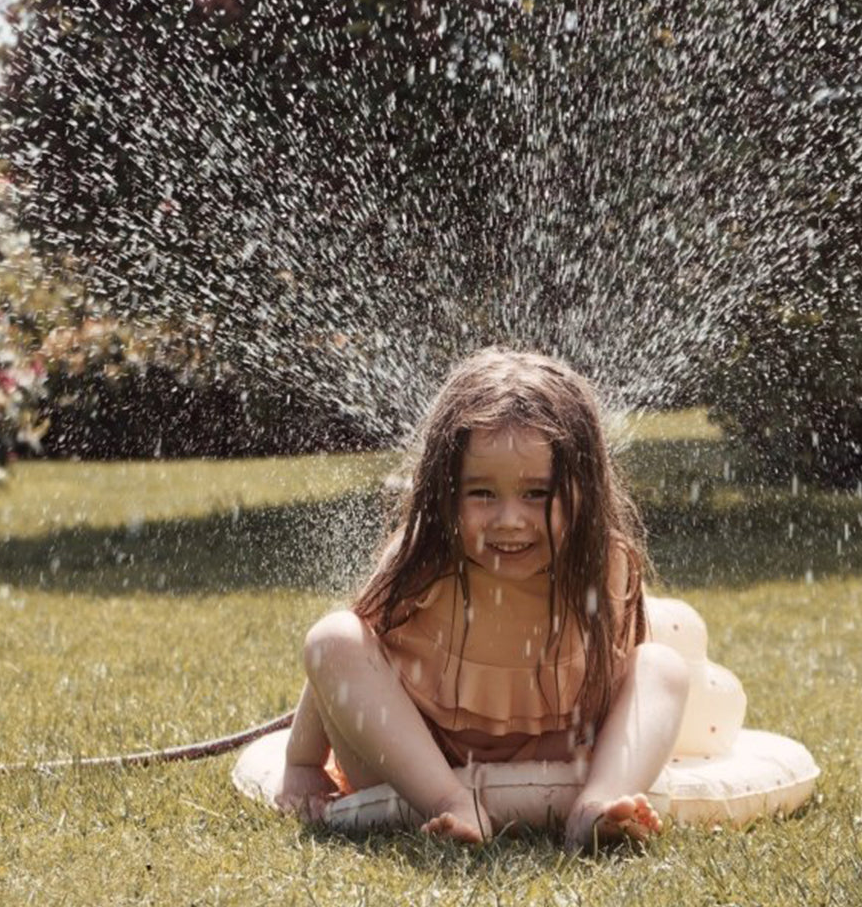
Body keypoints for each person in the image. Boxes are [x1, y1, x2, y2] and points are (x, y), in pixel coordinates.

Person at [276, 348, 690, 851]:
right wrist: (302, 764)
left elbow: (624, 678)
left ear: (584, 488)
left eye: (537, 494)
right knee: (332, 636)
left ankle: (597, 803)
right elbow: (335, 664)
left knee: (663, 665)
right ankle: (451, 803)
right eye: (482, 494)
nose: (509, 520)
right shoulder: (423, 559)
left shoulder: (602, 563)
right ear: (444, 490)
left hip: (557, 750)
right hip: (421, 756)